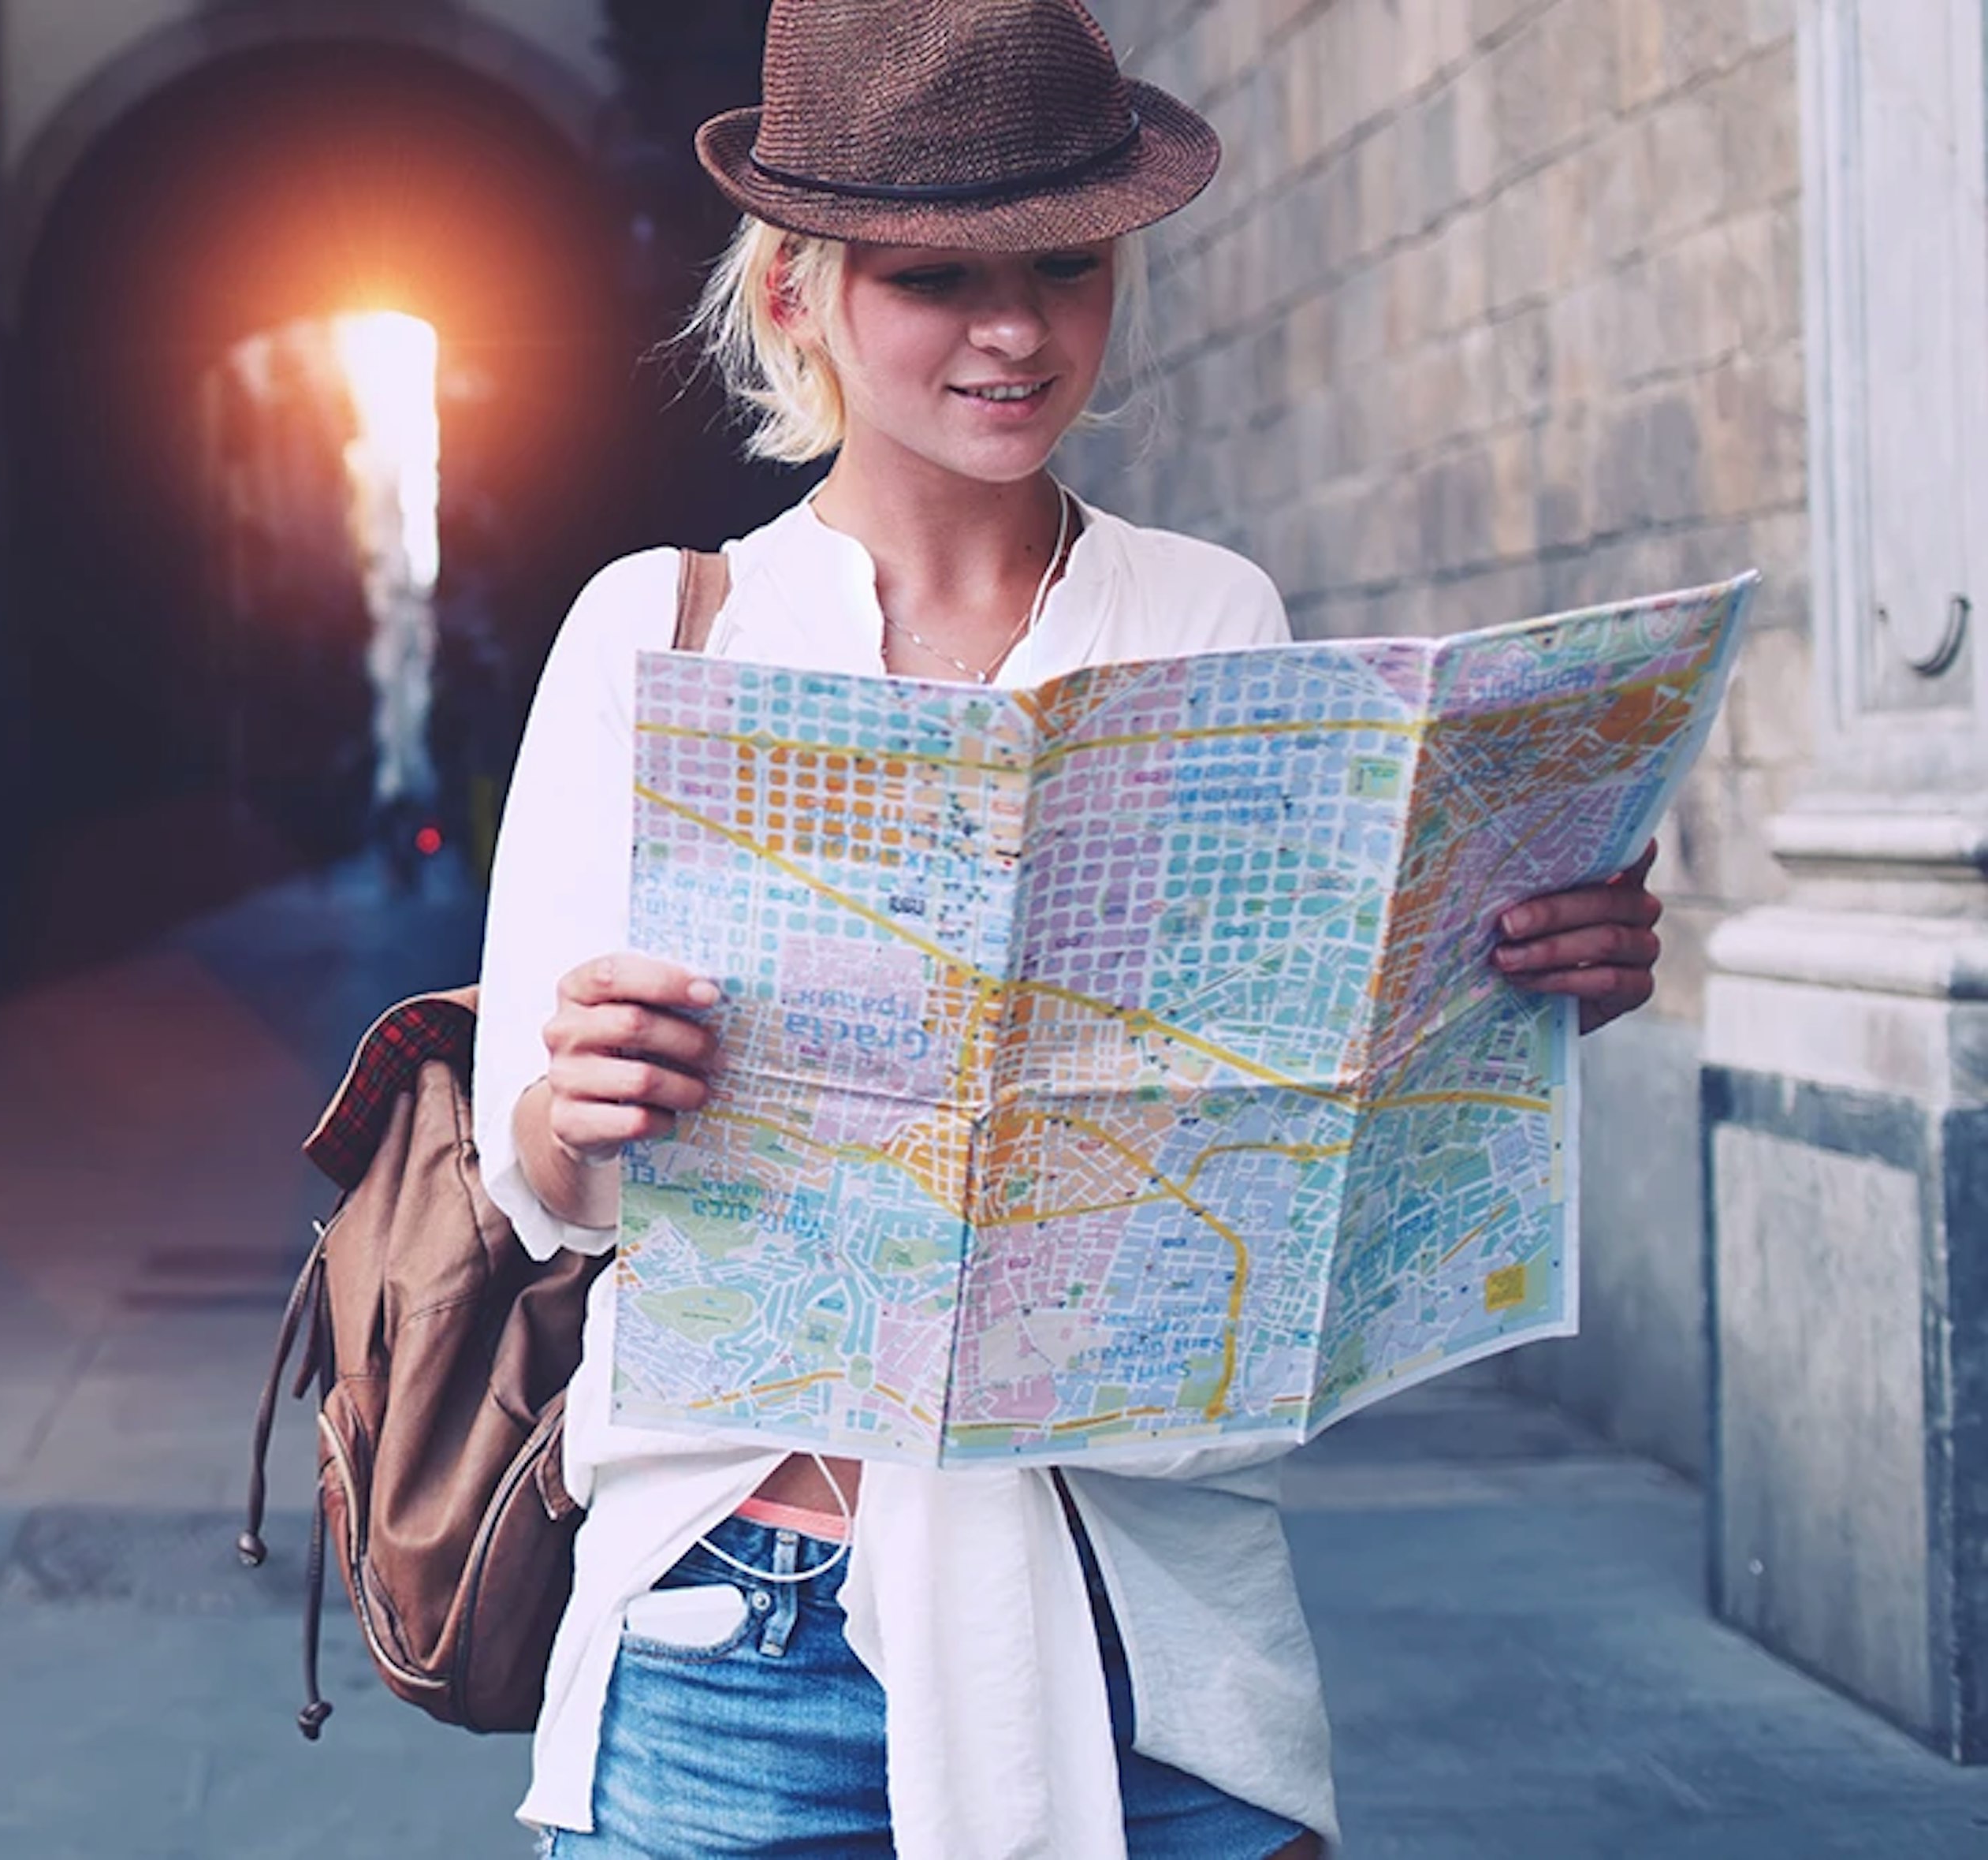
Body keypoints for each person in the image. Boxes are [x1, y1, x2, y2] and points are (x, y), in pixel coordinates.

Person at [470, 3, 1670, 1855]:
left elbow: (1289, 1118)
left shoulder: (1207, 616)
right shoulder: (662, 627)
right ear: (798, 299)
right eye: (935, 275)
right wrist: (583, 1099)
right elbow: (527, 1175)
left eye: (1065, 267)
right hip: (738, 1630)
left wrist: (1514, 995)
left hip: (1140, 1621)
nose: (1015, 331)